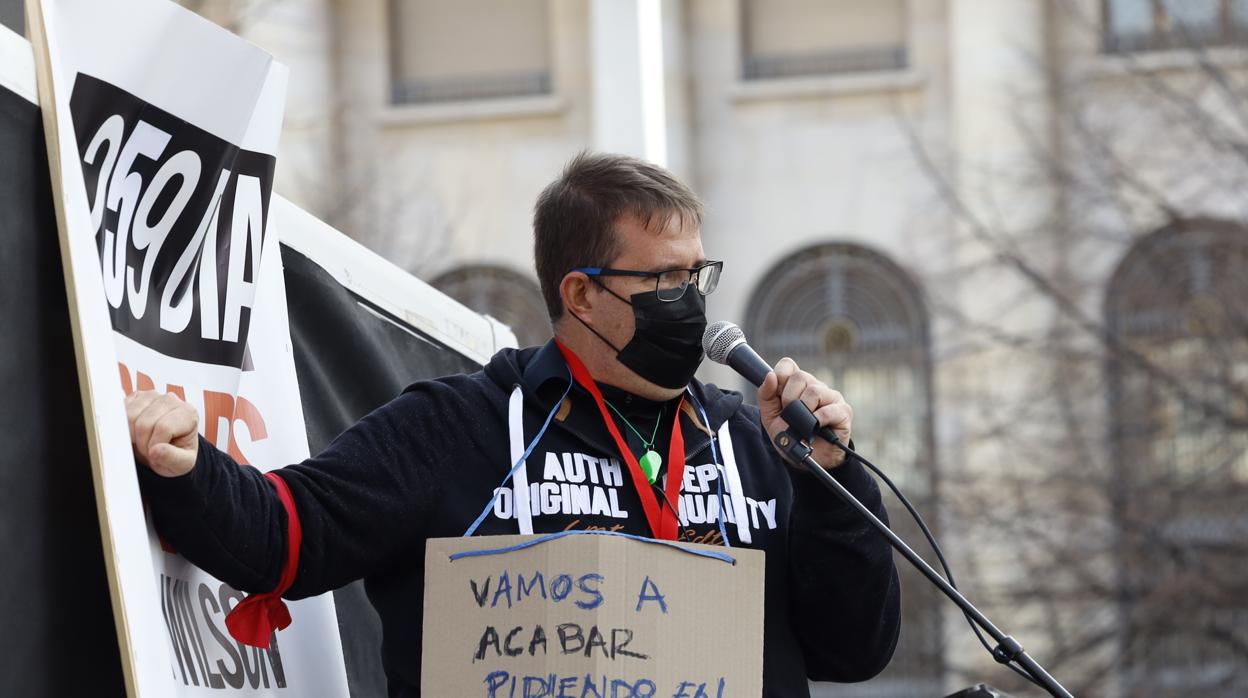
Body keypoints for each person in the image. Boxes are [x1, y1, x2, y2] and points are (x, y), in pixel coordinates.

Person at [127, 152, 900, 697]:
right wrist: (187, 466)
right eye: (663, 278)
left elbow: (853, 650)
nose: (691, 301)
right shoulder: (457, 427)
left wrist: (834, 482)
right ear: (583, 294)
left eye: (696, 274)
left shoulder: (751, 444)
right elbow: (284, 535)